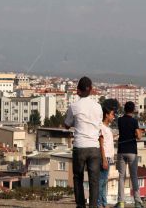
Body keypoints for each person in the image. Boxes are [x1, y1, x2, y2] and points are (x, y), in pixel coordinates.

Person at [65, 76, 103, 208]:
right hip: (94, 147)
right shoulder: (98, 107)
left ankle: (80, 205)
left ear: (78, 90)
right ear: (91, 90)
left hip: (80, 146)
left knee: (78, 177)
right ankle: (93, 206)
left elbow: (66, 124)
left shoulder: (74, 106)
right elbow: (99, 126)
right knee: (94, 180)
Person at [116, 101, 144, 208]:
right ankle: (137, 201)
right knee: (134, 176)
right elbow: (138, 136)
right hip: (132, 150)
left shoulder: (119, 120)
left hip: (121, 150)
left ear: (124, 109)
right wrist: (140, 132)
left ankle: (121, 202)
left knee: (121, 176)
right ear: (133, 110)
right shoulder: (134, 121)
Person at [98, 103, 117, 208]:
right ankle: (99, 203)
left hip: (108, 158)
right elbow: (101, 144)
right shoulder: (101, 127)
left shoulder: (107, 129)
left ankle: (103, 203)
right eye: (112, 114)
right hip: (104, 158)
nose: (113, 117)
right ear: (106, 115)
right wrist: (104, 159)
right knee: (101, 182)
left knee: (104, 182)